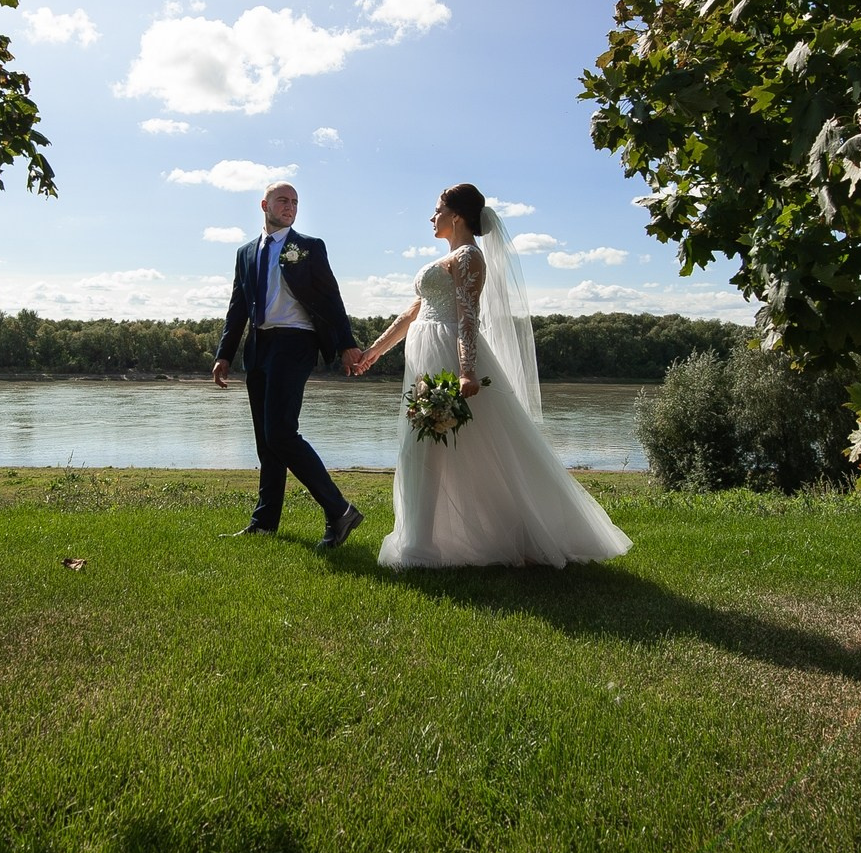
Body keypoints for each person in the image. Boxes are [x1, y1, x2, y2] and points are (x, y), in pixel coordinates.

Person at [354, 183, 632, 568]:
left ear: (457, 216)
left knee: (446, 446)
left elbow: (468, 317)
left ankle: (426, 547)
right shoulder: (445, 259)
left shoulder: (470, 257)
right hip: (423, 358)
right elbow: (412, 312)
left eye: (437, 210)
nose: (432, 217)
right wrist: (374, 351)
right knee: (422, 448)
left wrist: (467, 371)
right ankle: (421, 541)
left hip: (448, 358)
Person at [213, 181, 367, 550]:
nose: (290, 206)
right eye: (283, 200)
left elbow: (331, 298)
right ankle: (264, 523)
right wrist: (224, 354)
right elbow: (238, 306)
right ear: (264, 204)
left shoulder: (309, 247)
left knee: (281, 433)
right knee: (267, 442)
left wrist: (346, 344)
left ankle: (340, 510)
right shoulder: (245, 252)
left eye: (295, 202)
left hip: (296, 342)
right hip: (258, 346)